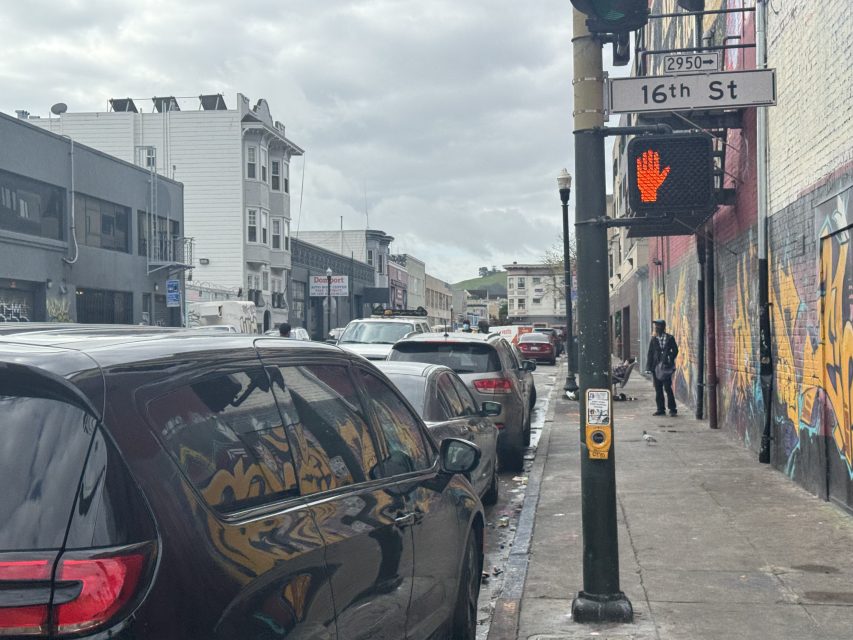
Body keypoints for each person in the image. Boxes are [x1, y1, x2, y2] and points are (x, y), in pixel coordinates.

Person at [645, 319, 678, 416]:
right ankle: (660, 409)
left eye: (658, 326)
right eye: (655, 326)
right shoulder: (653, 339)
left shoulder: (670, 338)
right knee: (658, 389)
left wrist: (670, 357)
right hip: (656, 367)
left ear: (663, 327)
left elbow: (675, 350)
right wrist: (649, 367)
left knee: (668, 388)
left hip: (666, 367)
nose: (656, 328)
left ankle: (673, 409)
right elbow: (650, 353)